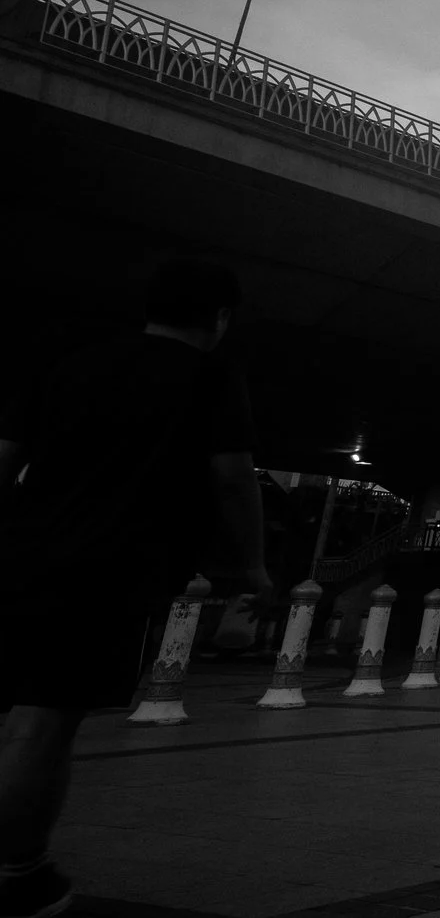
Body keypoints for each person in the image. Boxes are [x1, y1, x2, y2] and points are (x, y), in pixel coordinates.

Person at [0, 260, 276, 918]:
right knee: (42, 721)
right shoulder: (210, 376)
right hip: (103, 569)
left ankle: (27, 861)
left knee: (22, 716)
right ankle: (14, 873)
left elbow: (5, 457)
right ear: (219, 317)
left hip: (19, 554)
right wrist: (257, 567)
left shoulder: (68, 359)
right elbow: (234, 478)